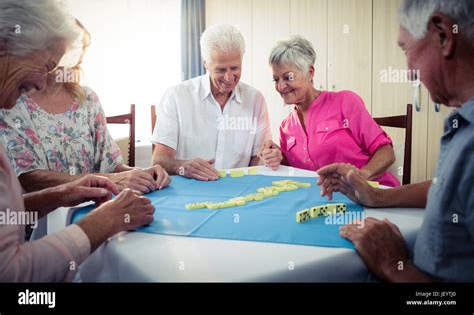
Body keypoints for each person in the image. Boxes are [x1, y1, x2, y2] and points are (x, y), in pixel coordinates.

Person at [317, 0, 474, 282]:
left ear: (443, 35)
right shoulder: (463, 122)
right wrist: (378, 197)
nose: (408, 71)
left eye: (407, 49)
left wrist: (392, 264)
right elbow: (451, 189)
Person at [0, 0, 154, 281]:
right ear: (5, 43)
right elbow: (12, 274)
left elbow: (5, 218)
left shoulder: (87, 99)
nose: (44, 82)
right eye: (46, 66)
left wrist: (63, 193)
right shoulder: (14, 104)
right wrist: (106, 220)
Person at [0, 19, 170, 194]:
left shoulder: (87, 98)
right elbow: (29, 178)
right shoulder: (12, 101)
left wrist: (142, 173)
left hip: (94, 205)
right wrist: (109, 181)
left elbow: (112, 165)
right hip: (44, 215)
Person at [259, 36, 400, 187]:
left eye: (288, 77)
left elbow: (386, 152)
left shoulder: (345, 102)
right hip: (326, 201)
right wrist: (277, 156)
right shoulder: (286, 127)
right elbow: (296, 171)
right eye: (276, 79)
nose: (280, 86)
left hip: (373, 194)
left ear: (310, 72)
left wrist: (361, 177)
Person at [151, 24, 271, 181]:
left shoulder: (255, 100)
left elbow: (256, 161)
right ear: (206, 63)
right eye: (221, 70)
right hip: (189, 190)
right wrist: (182, 167)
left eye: (235, 68)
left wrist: (268, 158)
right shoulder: (177, 96)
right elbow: (159, 160)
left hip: (238, 192)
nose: (229, 78)